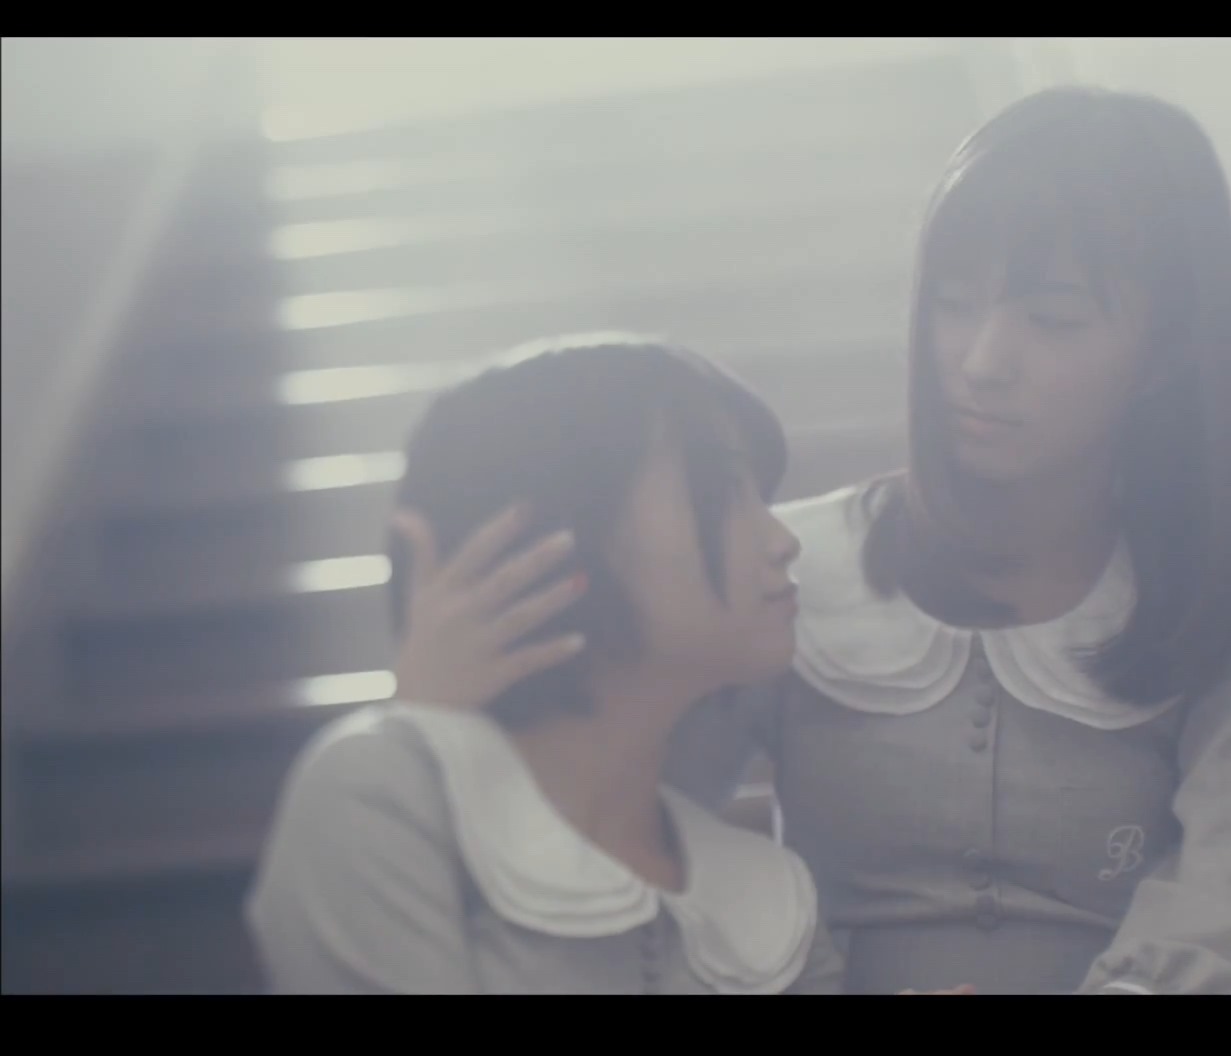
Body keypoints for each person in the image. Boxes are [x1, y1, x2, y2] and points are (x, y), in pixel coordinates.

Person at [391, 87, 1231, 995]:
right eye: (951, 302)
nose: (981, 363)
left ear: (1166, 352)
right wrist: (441, 724)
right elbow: (619, 838)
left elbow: (1224, 914)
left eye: (1053, 319)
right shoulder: (783, 573)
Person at [245, 336, 849, 995]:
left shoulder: (770, 900)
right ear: (562, 527)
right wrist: (430, 739)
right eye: (725, 491)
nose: (783, 540)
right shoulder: (378, 798)